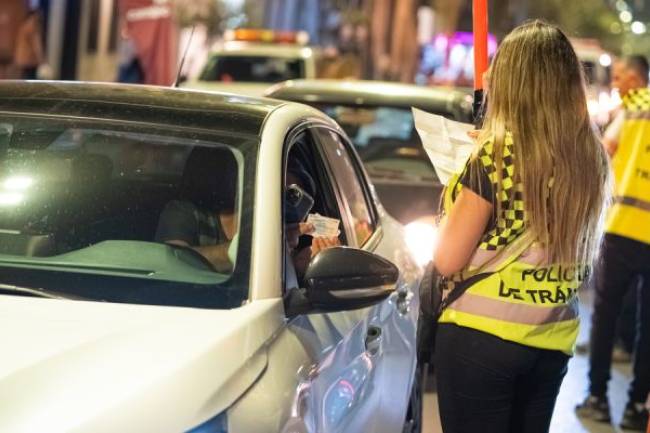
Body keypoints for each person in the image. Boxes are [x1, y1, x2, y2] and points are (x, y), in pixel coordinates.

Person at [432, 21, 610, 433]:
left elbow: (447, 258)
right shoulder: (590, 156)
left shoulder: (495, 156)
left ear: (514, 80)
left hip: (480, 339)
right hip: (551, 338)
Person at [576, 54, 650, 430]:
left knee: (604, 316)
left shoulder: (637, 107)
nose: (618, 83)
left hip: (623, 228)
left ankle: (598, 397)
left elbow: (605, 150)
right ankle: (638, 407)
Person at [155, 147, 239, 273]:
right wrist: (235, 251)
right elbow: (174, 262)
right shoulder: (181, 211)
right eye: (232, 170)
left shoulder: (262, 213)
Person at [14, 10, 44, 80]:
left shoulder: (24, 25)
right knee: (30, 79)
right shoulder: (32, 27)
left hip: (22, 58)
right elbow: (36, 45)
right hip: (30, 59)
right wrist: (41, 59)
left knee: (24, 78)